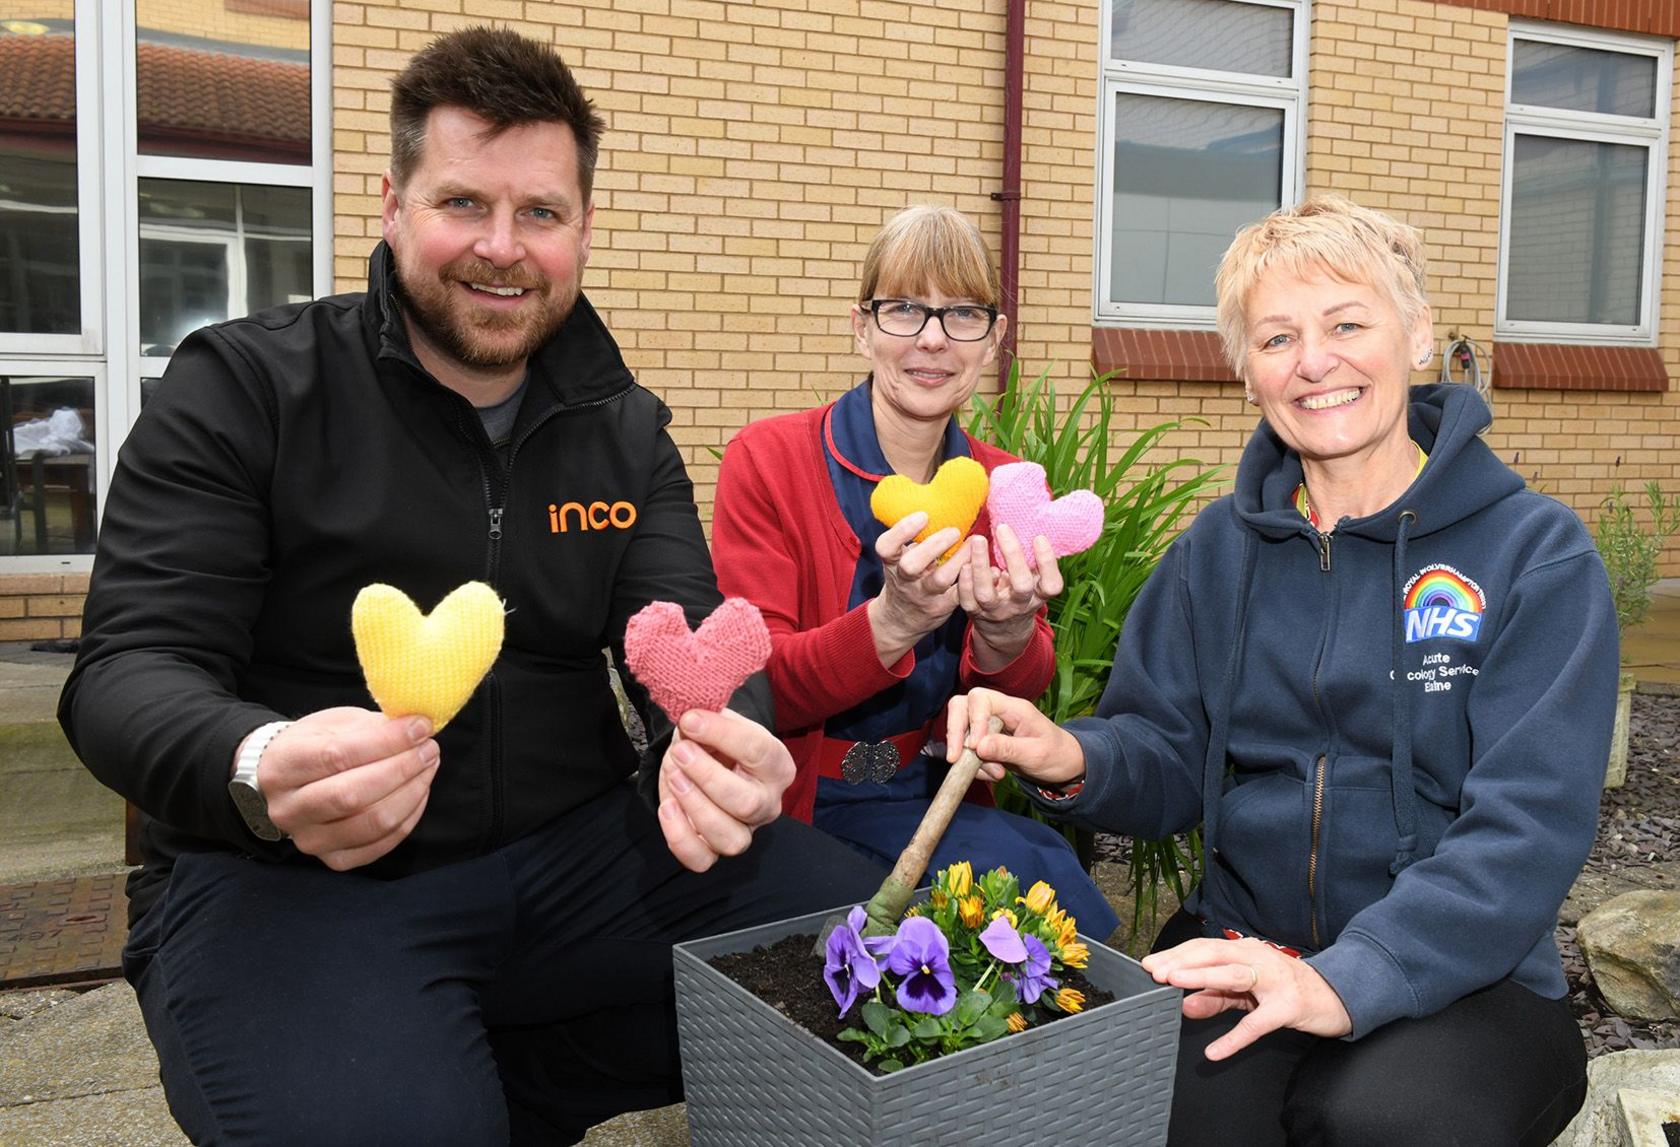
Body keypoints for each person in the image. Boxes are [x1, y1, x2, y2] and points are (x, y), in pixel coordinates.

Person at [58, 27, 883, 1146]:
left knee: (882, 955)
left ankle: (509, 1087)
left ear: (584, 230)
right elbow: (126, 671)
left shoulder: (622, 428)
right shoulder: (247, 386)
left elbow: (689, 634)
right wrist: (254, 762)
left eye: (540, 213)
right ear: (392, 204)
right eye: (463, 204)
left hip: (580, 857)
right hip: (291, 879)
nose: (502, 248)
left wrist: (720, 745)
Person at [947, 195, 1615, 1145]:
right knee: (1115, 1110)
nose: (1315, 361)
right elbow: (1168, 755)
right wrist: (1070, 756)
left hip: (1465, 975)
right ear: (1247, 369)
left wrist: (1341, 978)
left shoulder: (1533, 554)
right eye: (1277, 337)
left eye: (1348, 324)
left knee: (1378, 1121)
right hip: (1239, 946)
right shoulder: (1216, 553)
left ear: (1417, 334)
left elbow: (1528, 826)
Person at [710, 204, 1119, 938]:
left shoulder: (1001, 483)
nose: (932, 338)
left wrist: (1006, 630)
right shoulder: (768, 459)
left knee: (1051, 889)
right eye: (904, 309)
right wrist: (892, 621)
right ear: (861, 325)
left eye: (962, 313)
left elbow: (1014, 688)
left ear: (993, 338)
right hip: (794, 800)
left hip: (932, 797)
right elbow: (758, 683)